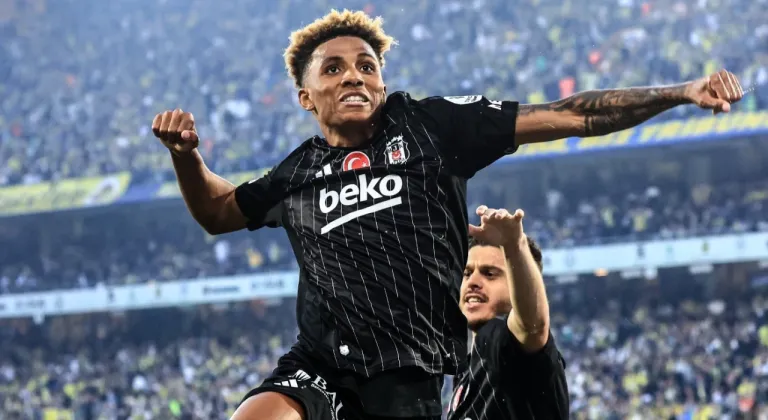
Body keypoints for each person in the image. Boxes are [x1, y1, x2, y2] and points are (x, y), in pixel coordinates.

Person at [150, 9, 743, 420]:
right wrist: (186, 156)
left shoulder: (430, 127)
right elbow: (218, 212)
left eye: (366, 65)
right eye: (333, 68)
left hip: (408, 374)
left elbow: (570, 114)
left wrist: (677, 93)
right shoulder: (296, 172)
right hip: (321, 364)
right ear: (306, 96)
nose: (354, 74)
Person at [447, 206, 568, 420]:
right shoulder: (466, 369)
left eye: (489, 274)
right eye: (467, 273)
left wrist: (514, 245)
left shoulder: (508, 347)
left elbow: (532, 326)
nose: (473, 282)